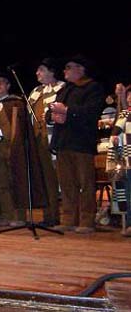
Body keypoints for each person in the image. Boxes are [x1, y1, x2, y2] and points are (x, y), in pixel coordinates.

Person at [49, 54, 105, 234]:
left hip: (82, 142)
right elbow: (54, 110)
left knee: (85, 183)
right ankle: (68, 218)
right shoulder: (65, 89)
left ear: (80, 69)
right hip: (64, 142)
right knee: (66, 184)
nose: (65, 71)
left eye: (69, 67)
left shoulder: (92, 88)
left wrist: (67, 111)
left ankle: (87, 220)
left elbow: (92, 112)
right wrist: (52, 116)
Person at [0, 72, 46, 227]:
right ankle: (7, 214)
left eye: (2, 83)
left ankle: (19, 215)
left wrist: (16, 145)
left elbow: (21, 127)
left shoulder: (16, 103)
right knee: (2, 182)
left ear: (8, 86)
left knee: (16, 180)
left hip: (14, 146)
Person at [27, 58, 65, 227]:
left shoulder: (62, 88)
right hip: (38, 140)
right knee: (44, 179)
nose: (37, 73)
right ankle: (48, 215)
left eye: (41, 70)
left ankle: (64, 215)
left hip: (55, 139)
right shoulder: (35, 91)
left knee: (59, 179)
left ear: (51, 71)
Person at [109, 85, 131, 237]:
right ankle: (129, 223)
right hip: (127, 160)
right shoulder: (125, 114)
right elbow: (116, 131)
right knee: (127, 193)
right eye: (128, 95)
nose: (129, 98)